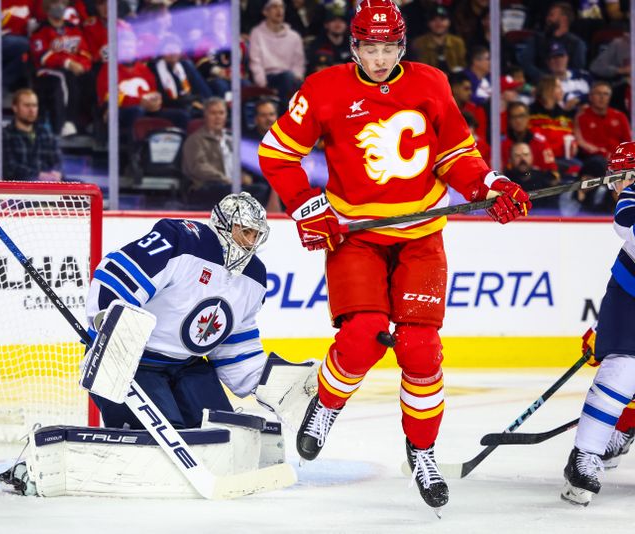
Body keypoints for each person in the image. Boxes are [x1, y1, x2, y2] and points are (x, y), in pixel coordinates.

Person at [257, 0, 531, 513]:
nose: (379, 59)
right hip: (356, 234)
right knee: (362, 338)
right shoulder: (323, 88)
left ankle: (422, 451)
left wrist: (490, 184)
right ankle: (327, 403)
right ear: (353, 45)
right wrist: (306, 205)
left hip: (421, 234)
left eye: (388, 47)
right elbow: (276, 153)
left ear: (401, 46)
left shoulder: (430, 83)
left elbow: (456, 154)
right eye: (369, 47)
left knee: (421, 347)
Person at [85, 192, 271, 429]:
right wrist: (107, 322)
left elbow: (233, 347)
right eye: (245, 231)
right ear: (225, 224)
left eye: (256, 235)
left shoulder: (253, 278)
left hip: (187, 365)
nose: (250, 242)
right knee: (165, 436)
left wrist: (271, 385)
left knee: (223, 432)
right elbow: (117, 273)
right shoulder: (182, 240)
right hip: (132, 361)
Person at [561, 141, 635, 506]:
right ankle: (585, 455)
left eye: (616, 180)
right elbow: (627, 223)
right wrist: (603, 331)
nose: (612, 188)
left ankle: (622, 428)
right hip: (630, 295)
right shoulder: (630, 200)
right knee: (623, 369)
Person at [182, 97, 269, 208]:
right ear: (205, 115)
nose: (218, 117)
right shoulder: (195, 140)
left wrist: (243, 176)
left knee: (263, 188)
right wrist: (225, 179)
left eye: (221, 113)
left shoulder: (230, 139)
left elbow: (241, 163)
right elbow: (198, 167)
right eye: (213, 113)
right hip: (207, 186)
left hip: (231, 186)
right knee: (232, 192)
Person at [30, 0, 93, 136]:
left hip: (73, 67)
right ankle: (65, 122)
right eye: (55, 3)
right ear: (47, 7)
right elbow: (43, 56)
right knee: (64, 77)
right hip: (47, 71)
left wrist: (83, 65)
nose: (59, 6)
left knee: (91, 77)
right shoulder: (40, 30)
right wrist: (68, 63)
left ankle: (88, 123)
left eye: (62, 3)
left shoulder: (73, 28)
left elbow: (85, 52)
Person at [248, 0, 305, 112]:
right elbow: (255, 61)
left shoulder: (294, 36)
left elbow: (299, 62)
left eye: (281, 7)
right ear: (265, 12)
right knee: (287, 77)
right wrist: (262, 83)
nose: (279, 10)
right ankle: (284, 114)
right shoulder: (257, 33)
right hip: (269, 77)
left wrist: (297, 75)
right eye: (274, 7)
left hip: (290, 78)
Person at [2, 88, 62, 181]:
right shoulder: (6, 135)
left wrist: (56, 172)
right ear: (15, 107)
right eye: (27, 105)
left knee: (81, 186)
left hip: (47, 185)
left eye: (34, 105)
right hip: (19, 187)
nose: (32, 110)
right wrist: (38, 175)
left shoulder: (46, 133)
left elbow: (57, 161)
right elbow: (10, 168)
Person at [410, 5, 466, 74]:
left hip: (454, 81)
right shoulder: (418, 43)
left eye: (442, 19)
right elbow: (417, 69)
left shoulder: (457, 42)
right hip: (428, 80)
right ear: (428, 23)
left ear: (449, 22)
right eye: (433, 19)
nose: (438, 23)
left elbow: (463, 66)